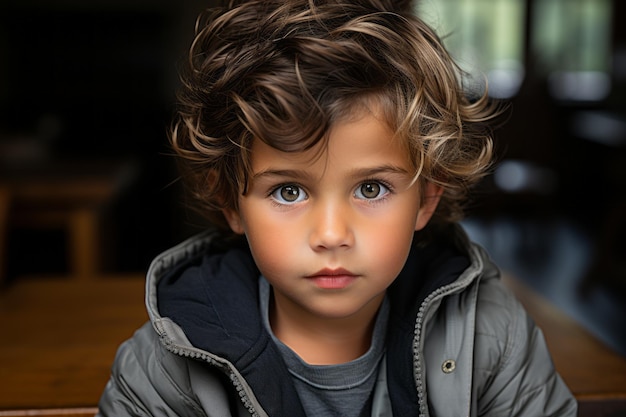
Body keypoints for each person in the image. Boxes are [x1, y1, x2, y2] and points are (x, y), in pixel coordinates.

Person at [98, 0, 577, 415]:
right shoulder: (164, 370)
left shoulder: (491, 337)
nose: (331, 234)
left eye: (371, 189)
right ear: (232, 205)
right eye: (288, 191)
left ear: (426, 200)